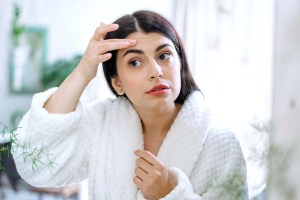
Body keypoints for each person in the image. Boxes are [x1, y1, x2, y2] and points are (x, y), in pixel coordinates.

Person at [13, 10, 248, 200]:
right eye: (135, 62)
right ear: (117, 83)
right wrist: (83, 71)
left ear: (180, 65)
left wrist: (170, 195)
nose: (156, 71)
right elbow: (36, 162)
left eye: (164, 56)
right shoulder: (103, 126)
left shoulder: (221, 145)